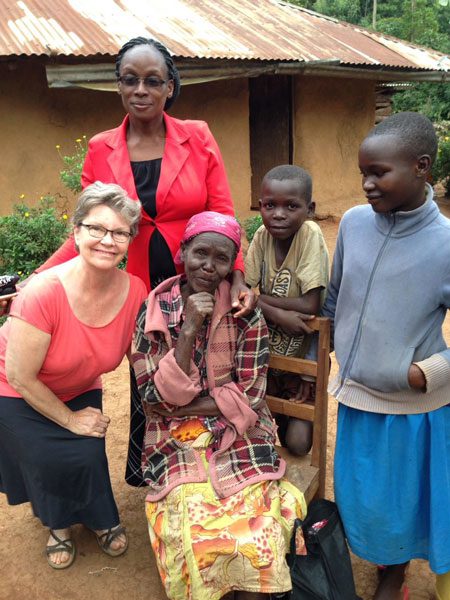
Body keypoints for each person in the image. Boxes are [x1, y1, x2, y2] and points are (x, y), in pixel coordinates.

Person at [35, 36, 254, 487]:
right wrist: (38, 279)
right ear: (118, 86)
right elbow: (88, 227)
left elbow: (224, 214)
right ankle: (150, 463)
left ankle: (205, 459)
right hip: (134, 281)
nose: (141, 90)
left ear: (170, 86)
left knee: (206, 363)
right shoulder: (100, 148)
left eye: (153, 81)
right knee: (149, 373)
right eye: (130, 80)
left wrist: (238, 275)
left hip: (197, 276)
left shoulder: (198, 136)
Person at [131, 211, 306, 600]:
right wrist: (189, 329)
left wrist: (185, 404)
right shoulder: (154, 310)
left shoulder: (247, 314)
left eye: (222, 258)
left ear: (232, 265)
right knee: (193, 522)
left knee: (258, 528)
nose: (209, 267)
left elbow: (253, 394)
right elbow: (152, 397)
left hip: (242, 430)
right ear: (183, 252)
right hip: (172, 439)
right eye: (200, 254)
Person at [322, 112, 450, 600]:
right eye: (363, 174)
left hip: (411, 407)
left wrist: (426, 372)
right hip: (356, 397)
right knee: (366, 497)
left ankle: (393, 576)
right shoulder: (354, 224)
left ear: (421, 167)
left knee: (401, 502)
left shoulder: (444, 244)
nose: (367, 185)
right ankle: (385, 562)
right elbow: (335, 300)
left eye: (379, 173)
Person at [0, 182, 147, 569]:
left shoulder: (135, 290)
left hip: (78, 382)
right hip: (15, 388)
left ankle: (100, 518)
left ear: (129, 240)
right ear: (77, 232)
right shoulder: (43, 292)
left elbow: (140, 356)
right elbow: (20, 375)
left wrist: (168, 393)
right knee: (46, 455)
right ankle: (59, 525)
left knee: (87, 451)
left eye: (119, 232)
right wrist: (69, 419)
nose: (107, 240)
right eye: (96, 228)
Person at [245, 165, 329, 456]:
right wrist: (276, 313)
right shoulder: (261, 237)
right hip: (267, 359)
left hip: (304, 359)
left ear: (310, 208)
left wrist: (259, 301)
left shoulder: (310, 234)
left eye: (291, 206)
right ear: (260, 206)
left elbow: (310, 304)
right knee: (264, 428)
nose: (278, 214)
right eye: (269, 205)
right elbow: (244, 291)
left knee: (297, 444)